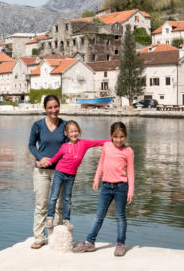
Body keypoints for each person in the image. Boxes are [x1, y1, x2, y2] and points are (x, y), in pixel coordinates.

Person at [75, 121, 134, 257]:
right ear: (111, 136)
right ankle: (90, 242)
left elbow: (130, 172)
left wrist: (131, 191)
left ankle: (120, 244)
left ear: (125, 136)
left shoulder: (128, 151)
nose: (118, 140)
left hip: (121, 187)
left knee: (120, 216)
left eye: (121, 137)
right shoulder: (106, 146)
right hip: (106, 186)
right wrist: (96, 178)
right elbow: (101, 163)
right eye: (115, 137)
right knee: (99, 216)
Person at [44, 120, 109, 231]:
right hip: (59, 173)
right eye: (71, 132)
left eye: (76, 131)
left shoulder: (84, 143)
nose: (74, 134)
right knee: (54, 196)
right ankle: (50, 218)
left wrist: (112, 140)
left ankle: (66, 220)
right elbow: (55, 158)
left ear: (79, 131)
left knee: (67, 198)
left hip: (71, 176)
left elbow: (98, 142)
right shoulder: (64, 146)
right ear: (66, 133)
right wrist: (45, 162)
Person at [28, 95, 67, 249]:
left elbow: (69, 147)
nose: (53, 110)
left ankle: (55, 236)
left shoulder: (65, 125)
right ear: (45, 109)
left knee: (58, 205)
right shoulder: (38, 125)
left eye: (56, 106)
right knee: (41, 204)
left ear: (59, 106)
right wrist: (39, 158)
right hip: (41, 171)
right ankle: (39, 237)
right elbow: (31, 145)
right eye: (50, 107)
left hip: (60, 171)